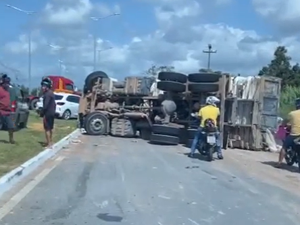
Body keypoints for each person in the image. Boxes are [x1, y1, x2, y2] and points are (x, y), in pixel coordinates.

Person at [277, 99, 300, 167]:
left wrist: (282, 125)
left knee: (284, 147)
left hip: (295, 135)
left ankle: (279, 163)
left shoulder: (292, 113)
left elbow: (284, 123)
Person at [40, 78, 56, 148]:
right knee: (50, 128)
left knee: (47, 129)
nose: (42, 88)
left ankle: (49, 144)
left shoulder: (47, 94)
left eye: (43, 86)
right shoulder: (51, 93)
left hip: (48, 114)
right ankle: (51, 142)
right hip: (52, 113)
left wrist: (41, 113)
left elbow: (45, 106)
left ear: (47, 87)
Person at [0, 74, 15, 144]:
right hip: (1, 111)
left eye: (8, 83)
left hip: (8, 112)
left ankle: (11, 139)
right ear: (3, 83)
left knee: (11, 126)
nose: (8, 85)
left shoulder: (8, 91)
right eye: (6, 83)